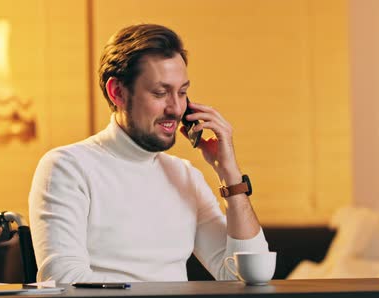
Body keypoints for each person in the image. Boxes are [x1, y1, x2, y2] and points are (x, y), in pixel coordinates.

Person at [28, 23, 268, 283]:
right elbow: (65, 280)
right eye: (160, 93)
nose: (176, 109)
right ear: (117, 92)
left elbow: (248, 276)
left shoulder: (185, 176)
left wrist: (229, 175)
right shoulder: (67, 167)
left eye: (183, 92)